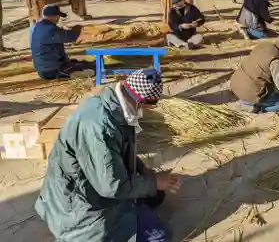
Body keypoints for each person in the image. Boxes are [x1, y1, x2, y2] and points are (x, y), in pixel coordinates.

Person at [35, 69, 181, 242]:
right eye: (151, 104)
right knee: (158, 237)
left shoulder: (114, 104)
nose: (150, 109)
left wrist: (143, 170)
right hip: (79, 207)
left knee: (155, 194)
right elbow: (112, 186)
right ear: (141, 100)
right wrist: (154, 182)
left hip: (96, 183)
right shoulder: (100, 127)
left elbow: (119, 151)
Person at [30, 4, 94, 80]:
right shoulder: (50, 29)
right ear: (55, 16)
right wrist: (77, 27)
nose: (58, 19)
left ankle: (72, 72)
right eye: (58, 16)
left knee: (83, 63)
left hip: (44, 68)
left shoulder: (37, 27)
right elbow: (70, 37)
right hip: (53, 69)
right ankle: (71, 75)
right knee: (92, 69)